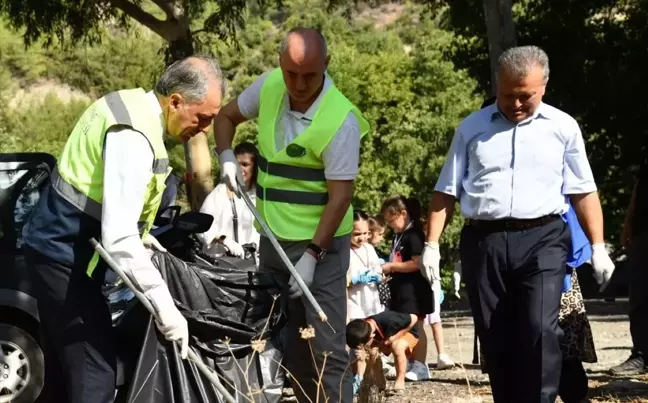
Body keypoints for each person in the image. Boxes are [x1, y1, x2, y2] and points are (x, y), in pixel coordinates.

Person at [21, 55, 224, 403]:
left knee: (62, 375)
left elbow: (120, 213)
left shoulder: (130, 106)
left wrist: (150, 243)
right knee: (95, 377)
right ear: (175, 101)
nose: (204, 128)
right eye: (203, 117)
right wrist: (166, 308)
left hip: (57, 249)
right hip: (63, 256)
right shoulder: (133, 136)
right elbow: (119, 238)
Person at [422, 45, 615, 402]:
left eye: (525, 96)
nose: (515, 104)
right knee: (495, 333)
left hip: (543, 238)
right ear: (498, 84)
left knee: (541, 327)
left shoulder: (563, 127)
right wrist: (431, 246)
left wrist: (599, 247)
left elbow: (583, 191)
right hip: (484, 241)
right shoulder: (472, 128)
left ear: (544, 86)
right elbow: (445, 190)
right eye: (507, 94)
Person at [212, 27, 369, 403]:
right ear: (280, 65)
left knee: (327, 347)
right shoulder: (268, 88)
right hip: (273, 239)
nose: (299, 84)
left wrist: (313, 256)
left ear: (326, 66)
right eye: (291, 73)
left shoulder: (340, 121)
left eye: (310, 75)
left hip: (322, 250)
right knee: (287, 340)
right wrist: (226, 155)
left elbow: (341, 197)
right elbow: (225, 117)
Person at [381, 196, 433, 381]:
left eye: (391, 220)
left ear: (403, 213)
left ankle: (421, 365)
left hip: (415, 291)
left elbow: (416, 263)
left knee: (416, 326)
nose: (390, 225)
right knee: (405, 326)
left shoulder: (414, 235)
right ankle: (409, 361)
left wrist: (391, 267)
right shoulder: (400, 235)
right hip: (401, 291)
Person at [609, 140, 648, 375]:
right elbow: (641, 185)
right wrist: (628, 223)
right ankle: (641, 355)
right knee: (641, 296)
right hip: (644, 230)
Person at [199, 141, 260, 257]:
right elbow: (202, 228)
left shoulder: (259, 195)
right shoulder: (220, 192)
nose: (240, 169)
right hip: (222, 264)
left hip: (251, 263)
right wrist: (224, 240)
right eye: (237, 164)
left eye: (245, 164)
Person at [346, 311, 419, 395]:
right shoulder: (362, 330)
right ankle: (379, 382)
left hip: (407, 332)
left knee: (397, 346)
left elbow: (414, 318)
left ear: (371, 337)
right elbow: (361, 356)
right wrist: (359, 377)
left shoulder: (389, 320)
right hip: (385, 339)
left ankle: (400, 381)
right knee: (371, 352)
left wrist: (394, 337)